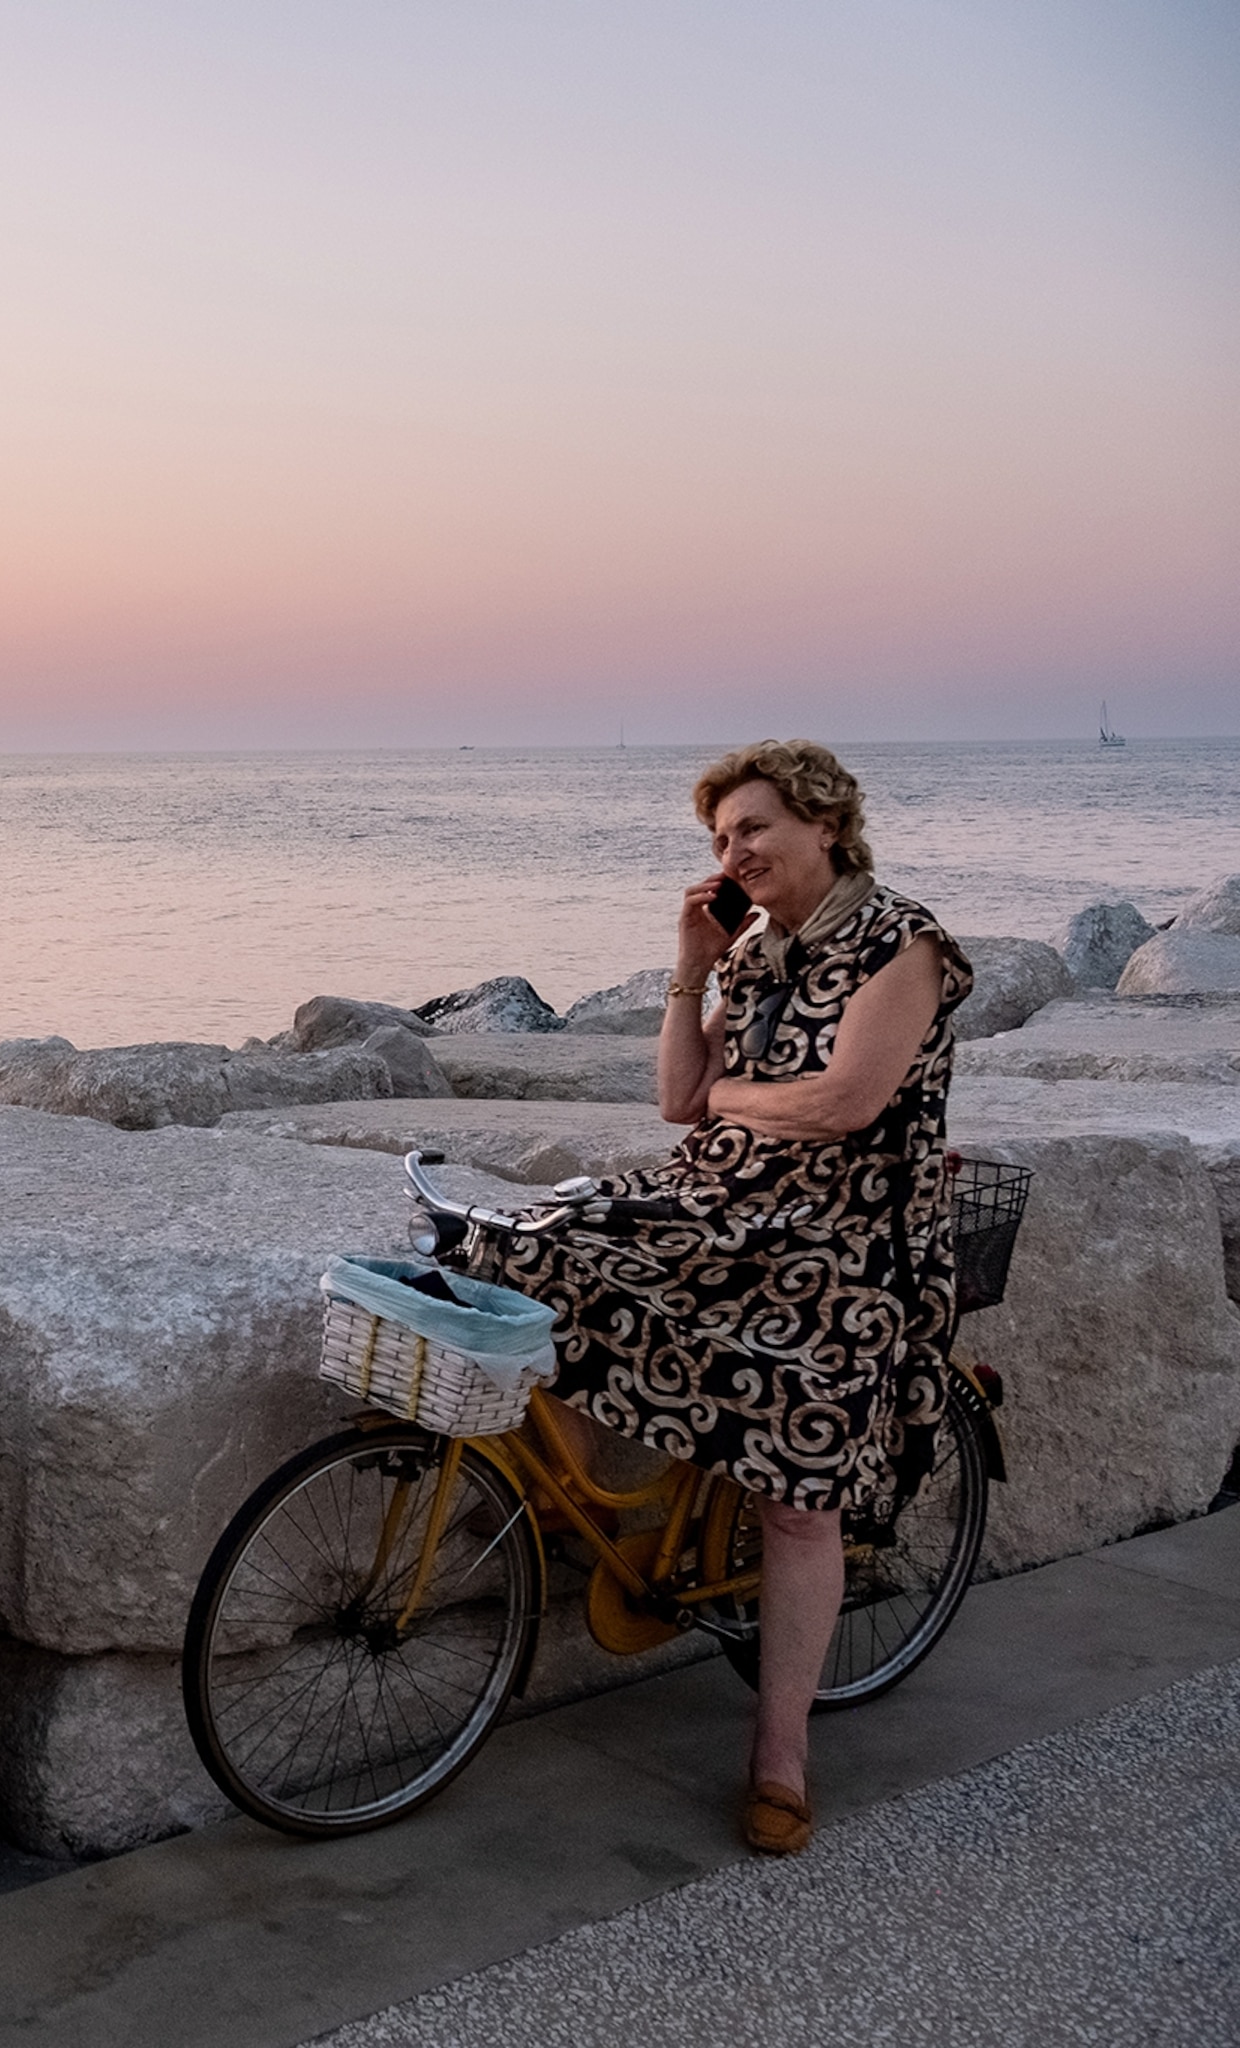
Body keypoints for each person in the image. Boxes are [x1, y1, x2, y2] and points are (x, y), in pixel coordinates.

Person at [455, 740, 969, 1857]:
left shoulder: (904, 943)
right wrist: (692, 958)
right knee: (525, 1246)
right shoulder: (751, 954)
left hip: (845, 1239)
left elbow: (842, 1105)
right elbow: (681, 1097)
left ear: (824, 824)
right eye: (721, 839)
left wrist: (741, 1094)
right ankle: (589, 1506)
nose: (735, 852)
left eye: (753, 829)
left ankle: (778, 1753)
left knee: (797, 1495)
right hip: (725, 1199)